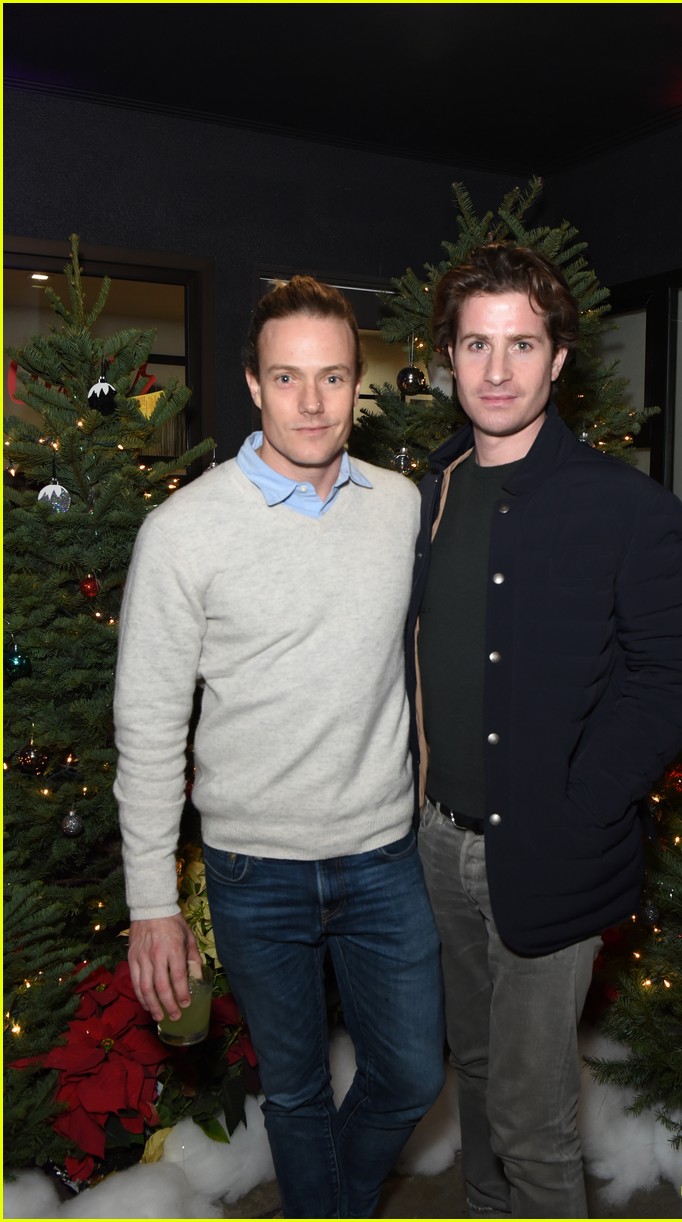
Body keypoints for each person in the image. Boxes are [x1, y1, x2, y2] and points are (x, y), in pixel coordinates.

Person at [113, 275, 445, 1218]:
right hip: (253, 869)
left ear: (355, 381)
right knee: (294, 1094)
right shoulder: (183, 532)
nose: (312, 402)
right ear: (254, 385)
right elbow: (147, 726)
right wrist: (152, 903)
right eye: (287, 378)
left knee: (413, 1073)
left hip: (381, 855)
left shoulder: (400, 507)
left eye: (333, 377)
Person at [408, 243, 682, 1218]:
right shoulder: (428, 493)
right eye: (476, 344)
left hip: (552, 855)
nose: (497, 369)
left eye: (522, 344)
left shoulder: (626, 508)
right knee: (475, 1074)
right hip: (435, 844)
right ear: (449, 356)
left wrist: (584, 806)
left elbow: (678, 676)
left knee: (532, 1120)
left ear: (557, 359)